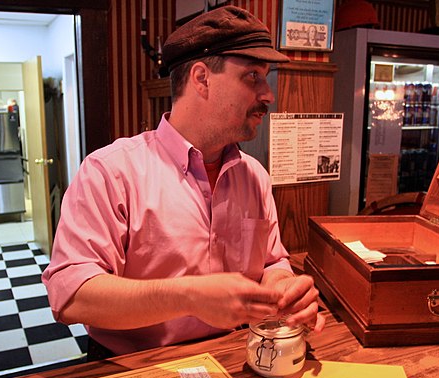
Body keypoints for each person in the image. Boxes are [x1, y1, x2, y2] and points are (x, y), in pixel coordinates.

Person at [42, 5, 326, 359]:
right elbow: (71, 295)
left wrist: (283, 288)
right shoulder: (110, 171)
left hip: (234, 355)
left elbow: (271, 262)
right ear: (201, 78)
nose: (268, 94)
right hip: (135, 370)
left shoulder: (253, 175)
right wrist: (188, 296)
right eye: (253, 76)